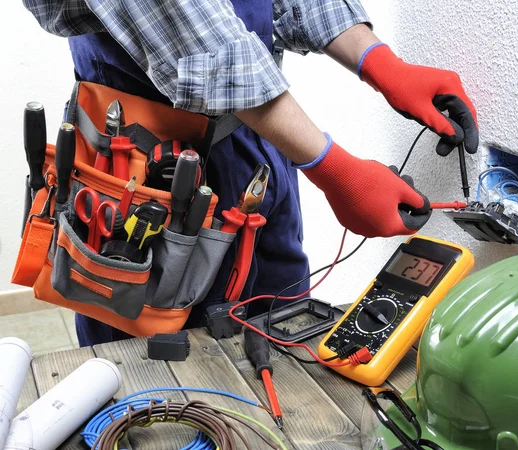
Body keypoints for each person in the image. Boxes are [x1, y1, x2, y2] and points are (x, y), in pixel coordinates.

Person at [23, 0, 478, 347]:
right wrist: (337, 171)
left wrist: (378, 61)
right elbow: (202, 41)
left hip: (262, 138)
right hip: (145, 176)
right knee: (152, 377)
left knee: (282, 336)